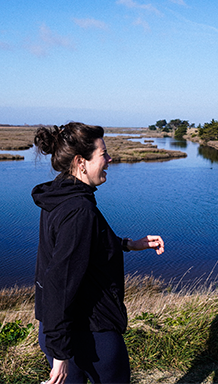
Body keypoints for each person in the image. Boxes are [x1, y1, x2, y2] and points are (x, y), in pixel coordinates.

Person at [31, 122, 165, 384]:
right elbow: (59, 280)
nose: (110, 159)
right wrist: (61, 352)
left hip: (56, 329)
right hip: (89, 334)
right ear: (81, 162)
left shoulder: (60, 195)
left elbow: (84, 245)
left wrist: (129, 244)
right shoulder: (79, 210)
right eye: (104, 153)